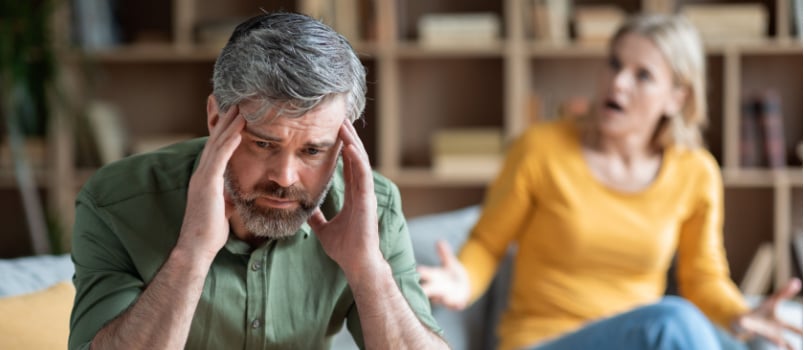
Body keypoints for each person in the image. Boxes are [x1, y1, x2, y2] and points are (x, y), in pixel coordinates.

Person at [418, 13, 802, 350]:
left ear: (676, 98)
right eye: (614, 64)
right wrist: (461, 280)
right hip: (544, 342)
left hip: (640, 340)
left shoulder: (696, 172)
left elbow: (703, 278)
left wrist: (741, 316)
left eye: (643, 75)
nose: (618, 83)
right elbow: (488, 242)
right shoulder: (541, 148)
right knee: (671, 321)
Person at [68, 12, 448, 350]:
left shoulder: (372, 209)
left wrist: (368, 270)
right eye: (265, 143)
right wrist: (190, 257)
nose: (285, 177)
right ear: (217, 120)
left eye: (313, 151)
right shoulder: (115, 202)